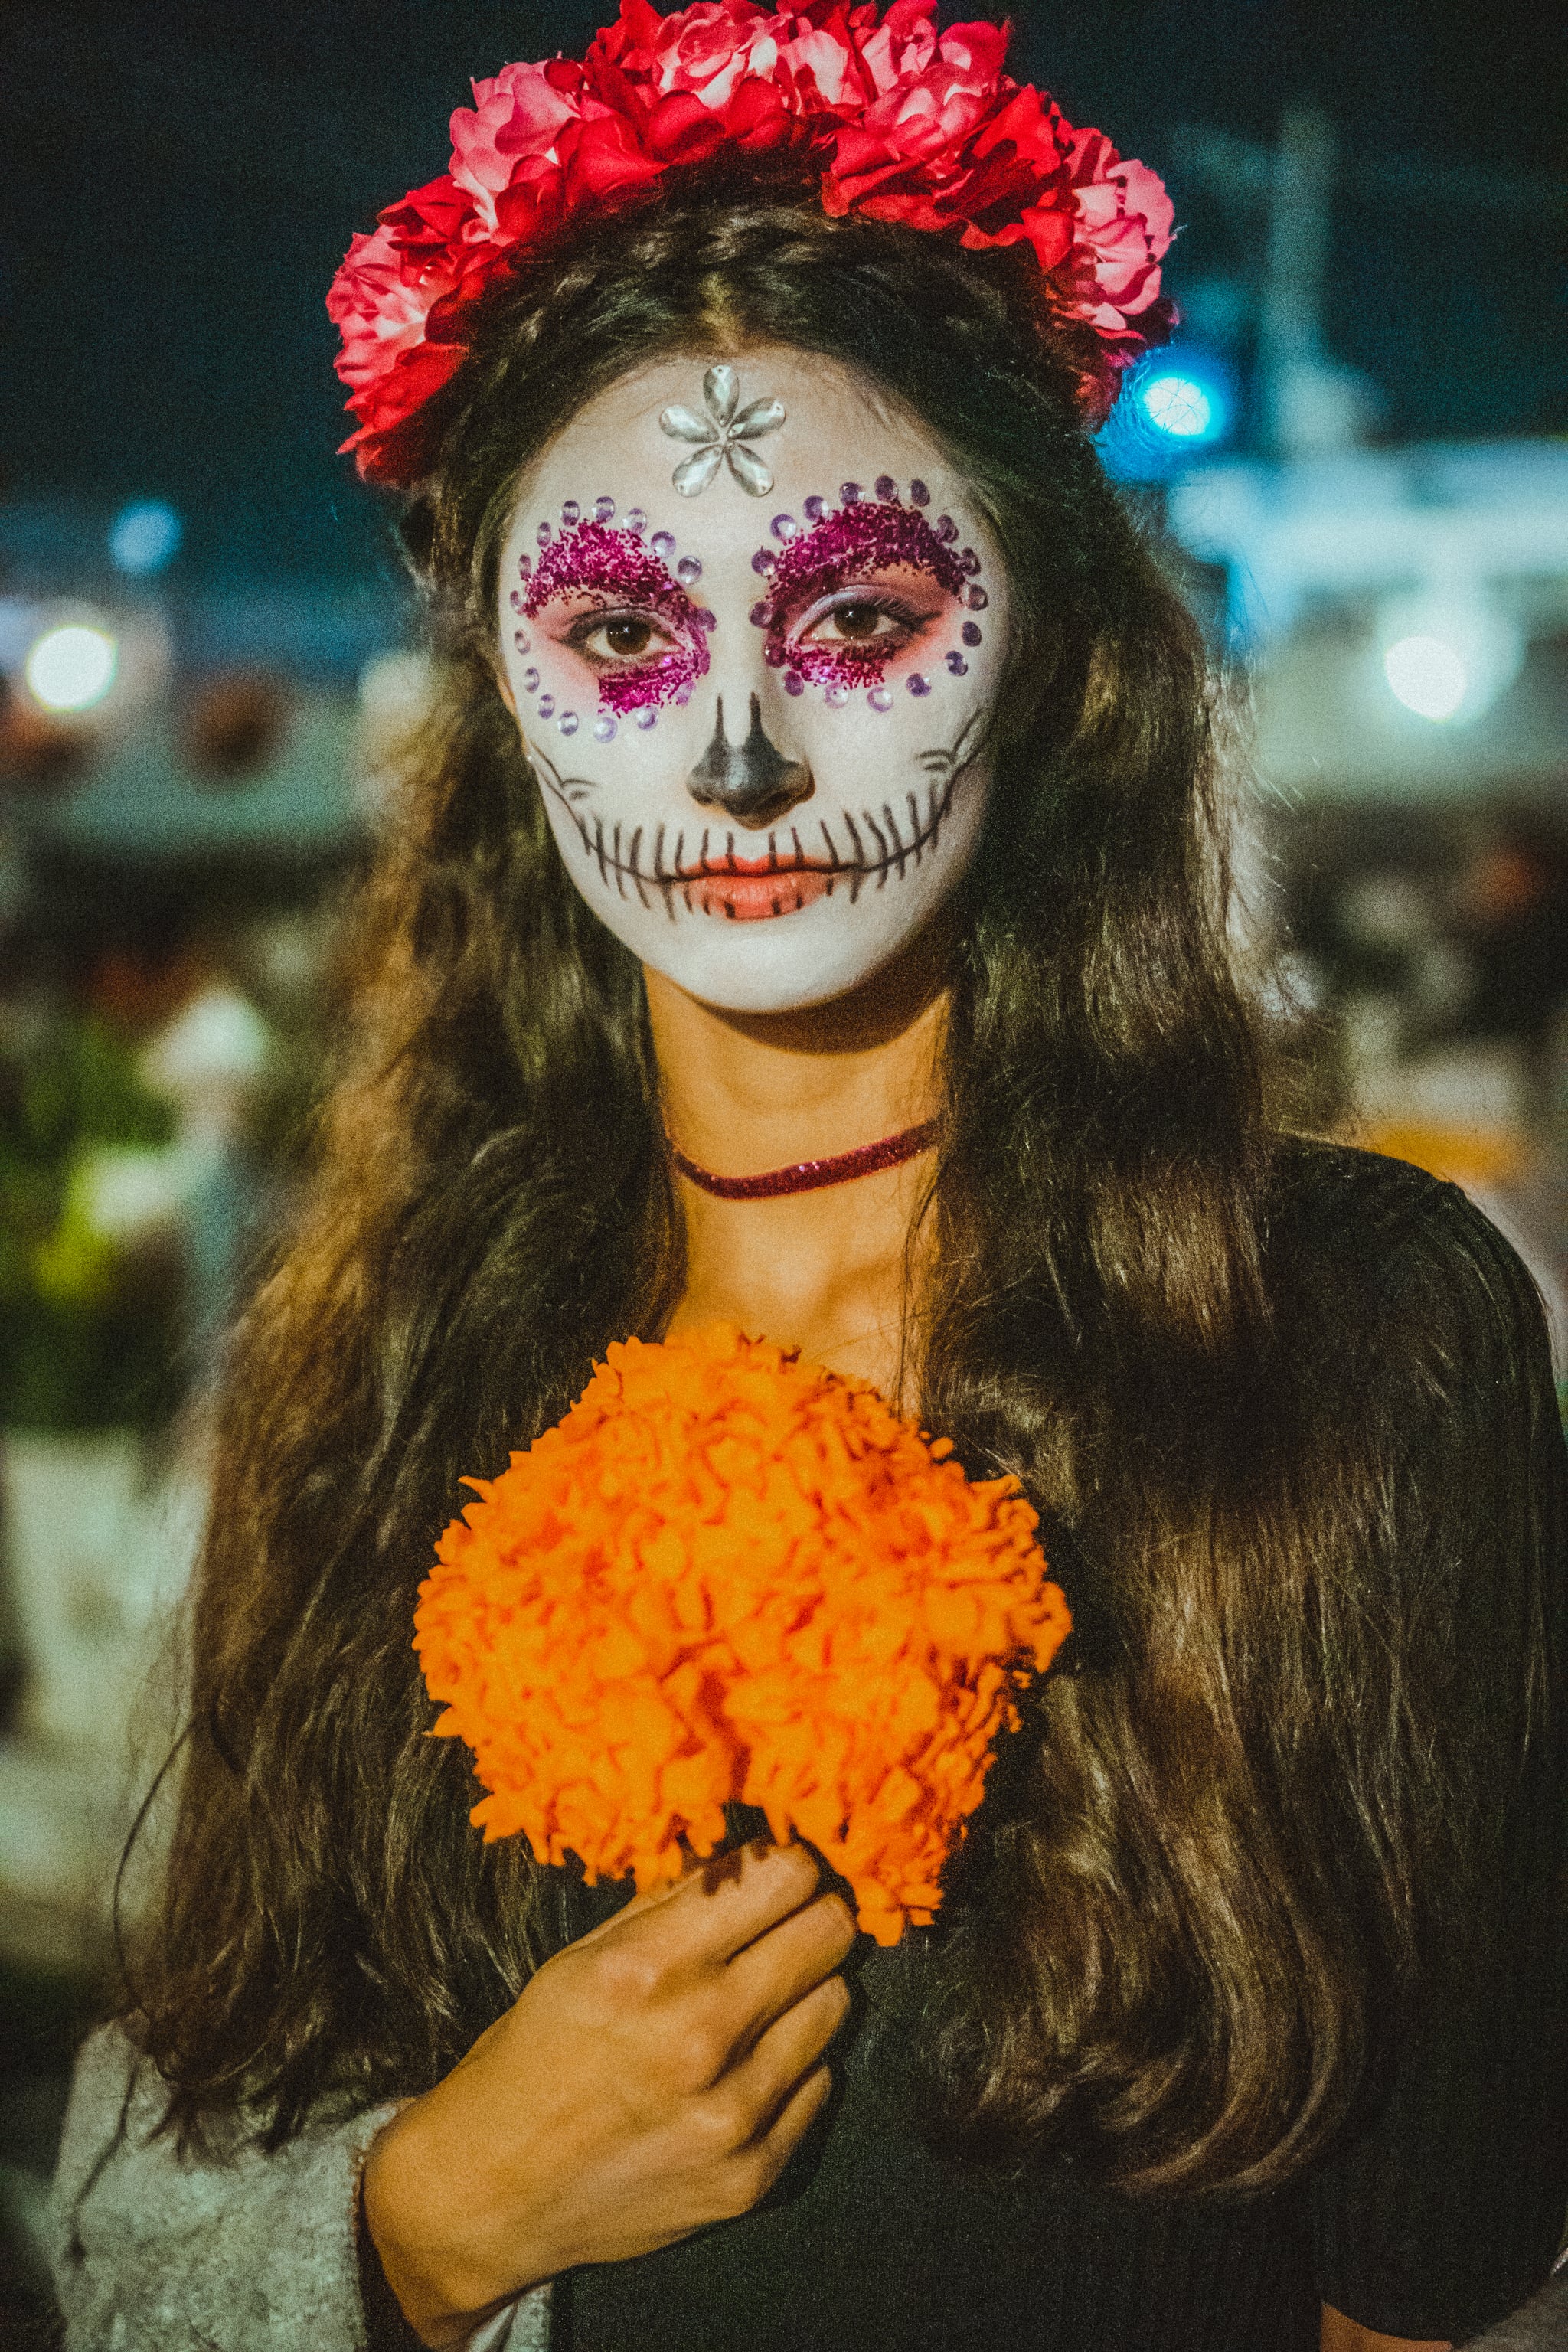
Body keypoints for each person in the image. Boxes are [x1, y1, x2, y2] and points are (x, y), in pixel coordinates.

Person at [48, 7, 1567, 2350]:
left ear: (1055, 662)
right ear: (504, 707)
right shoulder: (375, 1370)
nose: (744, 753)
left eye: (860, 617)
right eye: (624, 634)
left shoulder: (1354, 1342)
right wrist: (432, 2222)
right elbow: (157, 2172)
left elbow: (1431, 2298)